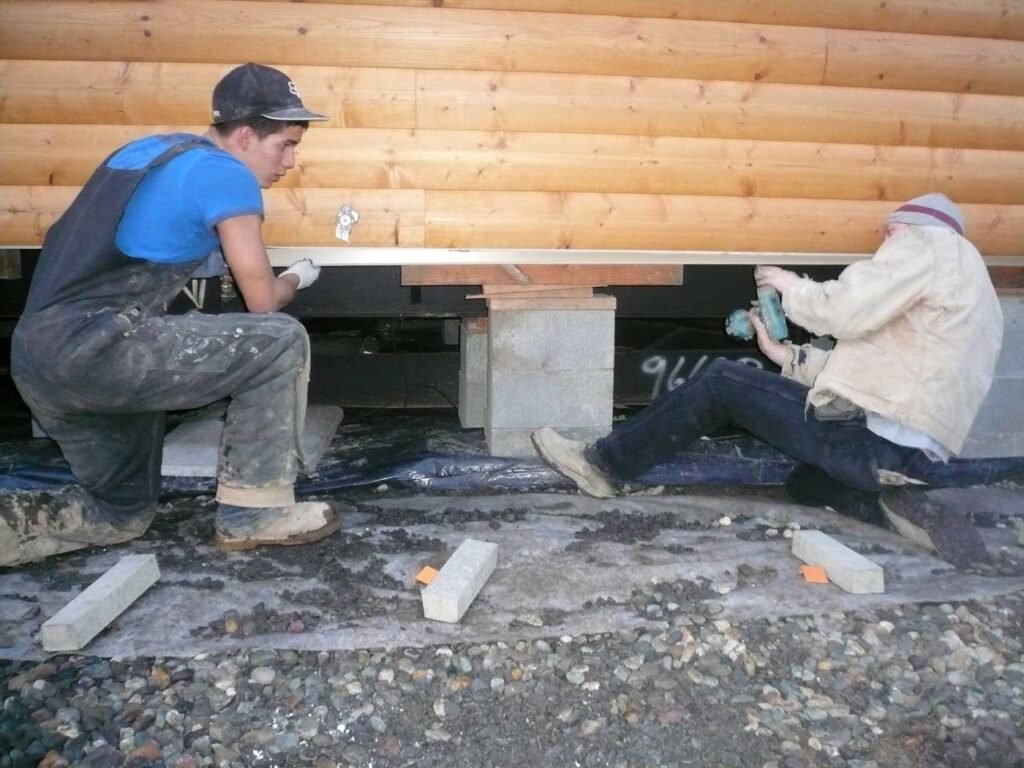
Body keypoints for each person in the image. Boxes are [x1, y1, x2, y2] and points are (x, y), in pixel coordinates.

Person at [532, 193, 1005, 567]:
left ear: (906, 226)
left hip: (873, 442)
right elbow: (886, 370)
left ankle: (604, 466)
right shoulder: (970, 286)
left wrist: (789, 284)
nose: (884, 246)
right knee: (805, 484)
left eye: (888, 235)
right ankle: (892, 506)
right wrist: (784, 356)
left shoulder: (927, 244)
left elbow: (844, 310)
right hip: (913, 458)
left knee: (722, 382)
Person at [0, 63, 339, 567]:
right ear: (246, 136)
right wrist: (297, 278)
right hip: (100, 351)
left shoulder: (150, 153)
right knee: (279, 340)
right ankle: (253, 515)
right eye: (284, 145)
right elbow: (263, 301)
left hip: (40, 358)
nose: (290, 161)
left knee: (121, 514)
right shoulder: (226, 174)